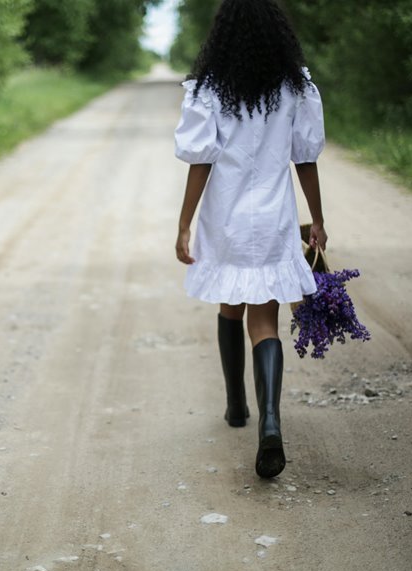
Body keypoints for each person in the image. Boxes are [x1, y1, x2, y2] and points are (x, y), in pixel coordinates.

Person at [173, 0, 327, 479]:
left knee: (228, 303)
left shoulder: (210, 90)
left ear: (225, 32)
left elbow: (201, 159)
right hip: (275, 217)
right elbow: (305, 157)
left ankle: (236, 405)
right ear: (276, 31)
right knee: (265, 322)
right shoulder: (295, 85)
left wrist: (183, 223)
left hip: (227, 217)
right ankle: (271, 422)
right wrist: (317, 219)